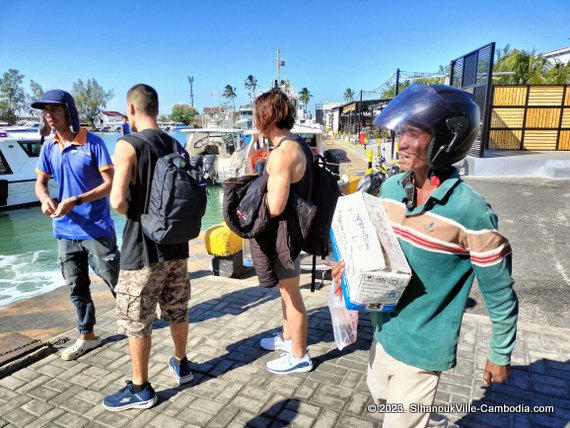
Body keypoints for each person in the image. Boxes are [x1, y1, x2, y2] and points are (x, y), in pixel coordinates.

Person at [332, 83, 518, 428]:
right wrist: (351, 267)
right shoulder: (390, 190)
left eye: (414, 134)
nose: (401, 143)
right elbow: (381, 256)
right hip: (385, 331)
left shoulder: (470, 212)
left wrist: (500, 354)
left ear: (448, 139)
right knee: (381, 398)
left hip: (424, 345)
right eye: (402, 131)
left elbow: (499, 293)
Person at [103, 84, 192, 411]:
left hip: (142, 248)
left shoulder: (128, 144)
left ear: (131, 109)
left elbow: (117, 200)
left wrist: (135, 214)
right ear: (156, 107)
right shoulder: (176, 144)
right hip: (177, 246)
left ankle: (140, 389)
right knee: (177, 307)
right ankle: (182, 365)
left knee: (136, 318)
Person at [33, 89, 119, 361]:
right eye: (45, 111)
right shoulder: (48, 147)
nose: (49, 115)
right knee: (76, 287)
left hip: (96, 229)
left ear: (68, 112)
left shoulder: (93, 143)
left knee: (115, 279)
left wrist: (77, 200)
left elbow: (110, 184)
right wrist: (44, 198)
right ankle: (87, 336)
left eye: (54, 110)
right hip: (64, 231)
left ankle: (138, 323)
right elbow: (40, 182)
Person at [254, 88, 314, 374]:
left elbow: (275, 205)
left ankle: (300, 355)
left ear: (265, 119)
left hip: (284, 232)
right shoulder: (298, 144)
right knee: (285, 289)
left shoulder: (282, 154)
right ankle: (287, 338)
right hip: (295, 229)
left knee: (292, 293)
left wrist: (252, 196)